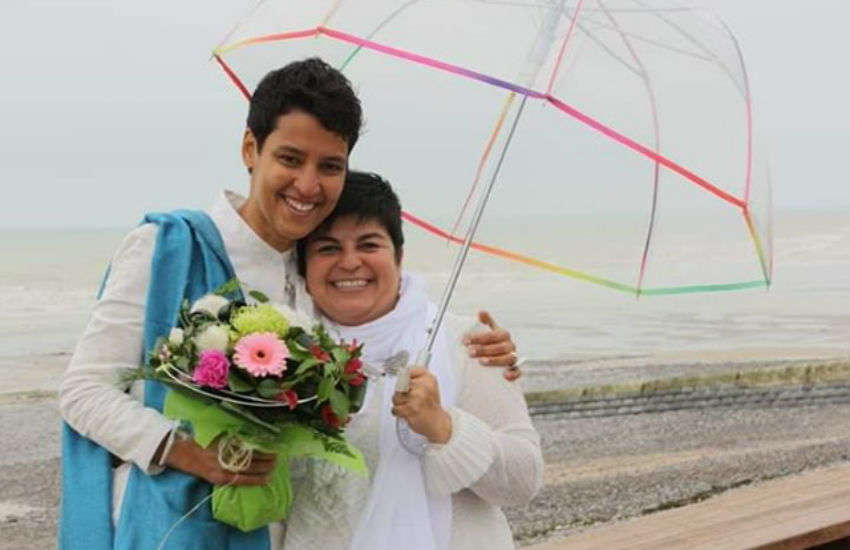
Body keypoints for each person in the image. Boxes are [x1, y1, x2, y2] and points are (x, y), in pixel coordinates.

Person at [58, 58, 521, 550]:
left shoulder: (315, 274)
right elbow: (83, 390)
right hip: (172, 527)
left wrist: (480, 350)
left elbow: (384, 335)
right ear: (250, 149)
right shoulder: (169, 248)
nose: (307, 185)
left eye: (330, 167)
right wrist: (189, 452)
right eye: (290, 158)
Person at [286, 171, 543, 550]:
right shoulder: (282, 354)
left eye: (369, 244)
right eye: (327, 248)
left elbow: (524, 480)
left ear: (399, 256)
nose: (350, 262)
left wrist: (444, 428)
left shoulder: (467, 343)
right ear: (304, 268)